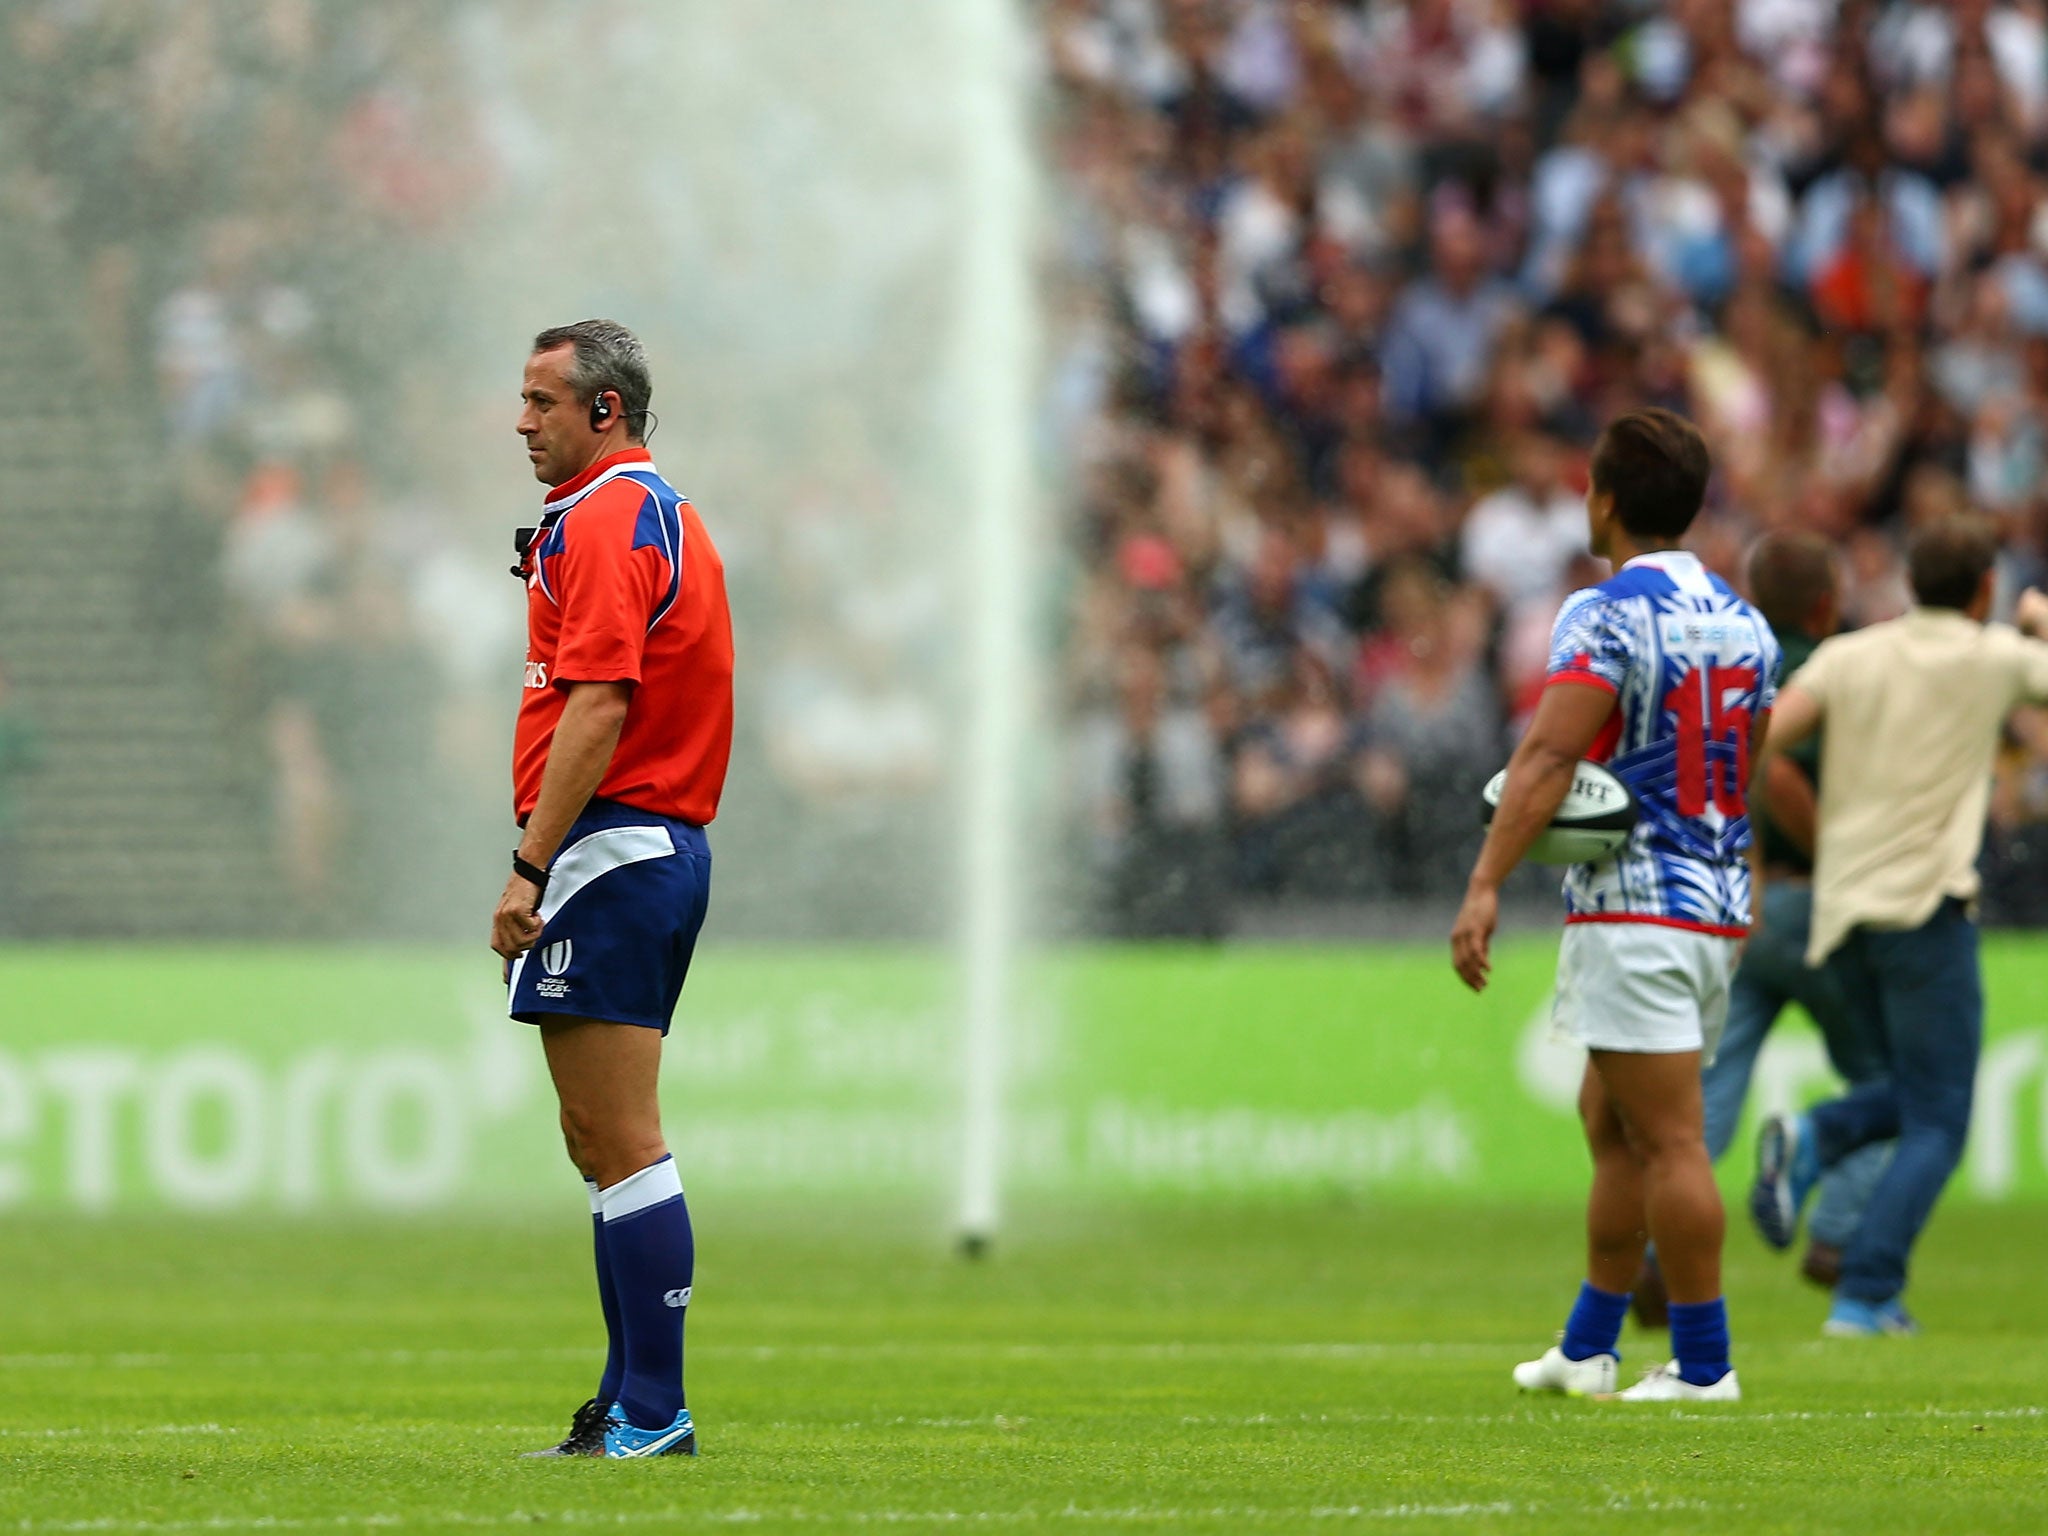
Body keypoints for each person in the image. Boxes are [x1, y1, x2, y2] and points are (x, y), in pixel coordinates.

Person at [1452, 407, 1778, 1403]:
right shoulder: (1744, 620)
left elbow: (1549, 754)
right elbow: (1740, 772)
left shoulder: (1599, 612)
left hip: (1637, 905)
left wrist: (1483, 881)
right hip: (1711, 902)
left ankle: (1702, 1365)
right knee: (1611, 1119)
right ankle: (1588, 1348)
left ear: (1602, 500)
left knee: (1669, 1140)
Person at [493, 319, 734, 1458]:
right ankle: (629, 1398)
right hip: (647, 843)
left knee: (620, 1136)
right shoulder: (655, 509)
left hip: (614, 842)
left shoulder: (603, 517)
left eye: (544, 401)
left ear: (606, 413)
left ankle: (653, 1409)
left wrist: (530, 863)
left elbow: (599, 702)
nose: (523, 421)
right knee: (597, 1135)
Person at [1750, 517, 2048, 1337]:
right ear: (1984, 589)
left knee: (1920, 1095)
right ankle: (1867, 1289)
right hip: (1925, 905)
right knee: (1942, 1118)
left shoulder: (1853, 654)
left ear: (1911, 583)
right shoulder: (1993, 656)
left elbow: (1763, 738)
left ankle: (1817, 1136)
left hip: (1841, 904)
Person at [1632, 532, 1891, 1327]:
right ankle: (1841, 1235)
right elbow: (1774, 770)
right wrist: (1827, 859)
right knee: (1895, 1082)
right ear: (1825, 601)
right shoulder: (1831, 666)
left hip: (1728, 901)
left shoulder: (1725, 653)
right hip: (1809, 902)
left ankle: (1657, 1252)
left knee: (1705, 1099)